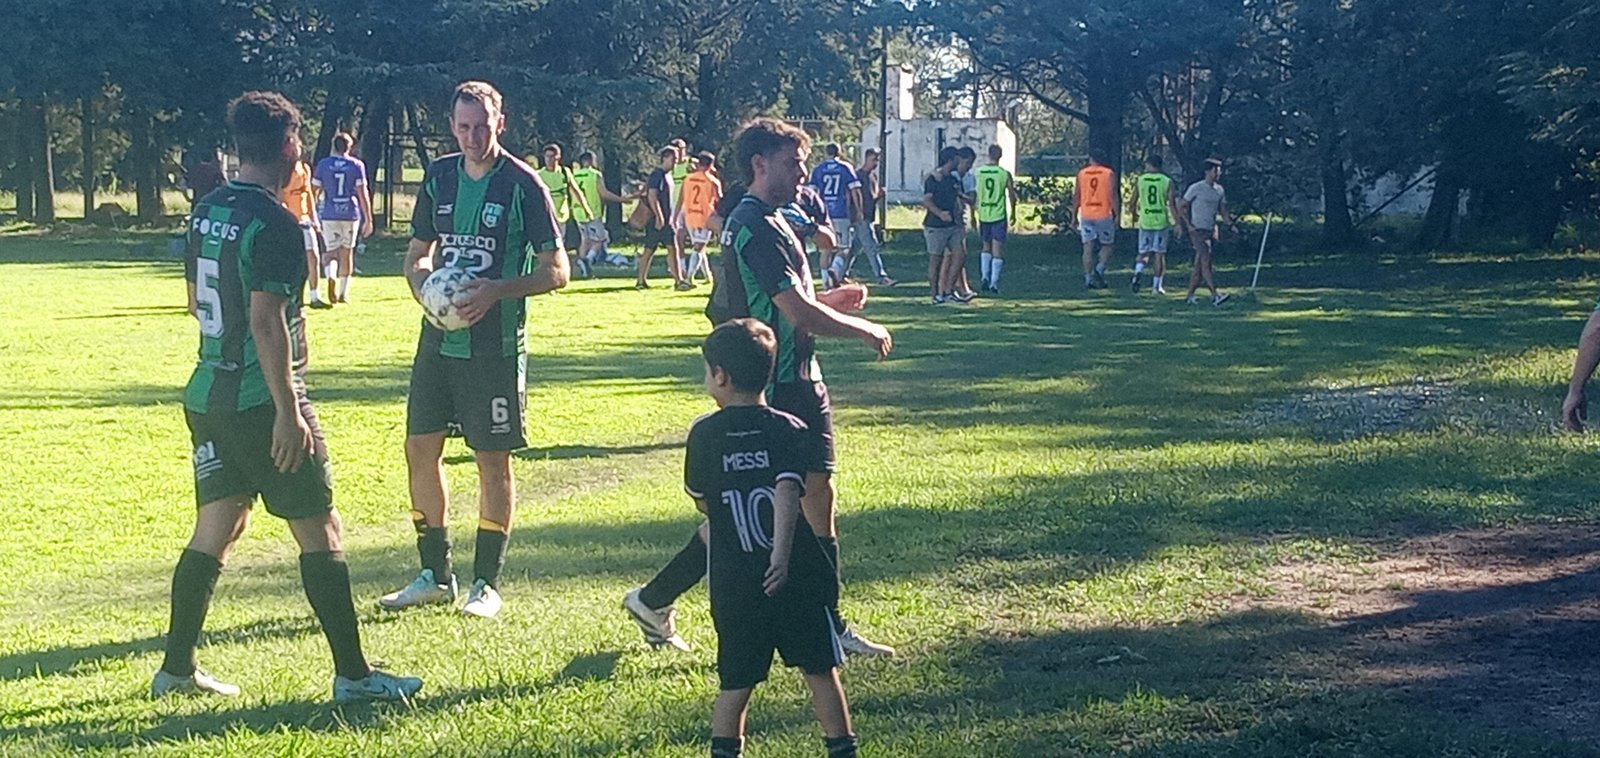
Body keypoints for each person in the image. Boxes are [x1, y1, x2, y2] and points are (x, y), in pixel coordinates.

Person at [159, 90, 421, 704]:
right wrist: (288, 412)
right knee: (320, 527)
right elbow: (266, 322)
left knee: (218, 524)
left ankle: (175, 670)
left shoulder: (207, 210)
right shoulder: (275, 223)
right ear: (288, 145)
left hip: (207, 394)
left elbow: (195, 301)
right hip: (260, 399)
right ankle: (354, 676)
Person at [625, 117, 897, 661]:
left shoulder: (767, 219)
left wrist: (829, 302)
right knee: (794, 504)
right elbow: (795, 312)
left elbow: (784, 301)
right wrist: (862, 328)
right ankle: (829, 623)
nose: (803, 173)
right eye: (793, 163)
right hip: (781, 384)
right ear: (759, 164)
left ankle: (655, 600)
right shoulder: (756, 223)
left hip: (786, 378)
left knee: (767, 505)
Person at [379, 80, 569, 619]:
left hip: (495, 348)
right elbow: (417, 256)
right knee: (420, 448)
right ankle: (434, 575)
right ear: (452, 126)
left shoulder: (523, 184)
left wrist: (495, 291)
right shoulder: (439, 177)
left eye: (481, 127)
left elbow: (557, 270)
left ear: (499, 123)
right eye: (463, 127)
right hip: (438, 342)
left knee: (491, 460)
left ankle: (486, 583)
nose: (471, 137)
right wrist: (427, 290)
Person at [690, 319, 859, 758]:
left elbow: (703, 502)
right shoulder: (791, 428)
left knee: (735, 684)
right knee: (820, 671)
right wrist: (781, 557)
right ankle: (843, 749)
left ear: (720, 375)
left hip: (736, 581)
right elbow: (787, 489)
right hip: (796, 575)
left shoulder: (704, 435)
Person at [311, 131, 373, 306]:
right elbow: (362, 193)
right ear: (349, 147)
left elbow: (314, 191)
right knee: (347, 252)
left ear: (334, 145)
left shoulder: (324, 164)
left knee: (330, 251)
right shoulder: (356, 165)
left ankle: (331, 276)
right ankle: (343, 294)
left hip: (329, 213)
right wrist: (368, 218)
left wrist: (313, 212)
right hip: (350, 213)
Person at [1176, 157, 1235, 306]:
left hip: (1210, 230)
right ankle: (1215, 295)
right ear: (1207, 171)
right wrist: (1188, 225)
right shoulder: (1196, 187)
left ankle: (1189, 296)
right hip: (1197, 230)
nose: (1218, 173)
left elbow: (1222, 210)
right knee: (1206, 261)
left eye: (1219, 170)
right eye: (1215, 170)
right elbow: (1181, 206)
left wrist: (1230, 225)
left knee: (1199, 265)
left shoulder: (1219, 190)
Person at [808, 143, 862, 289]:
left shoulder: (818, 169)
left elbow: (811, 192)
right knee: (844, 248)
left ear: (826, 152)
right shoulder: (845, 168)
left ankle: (826, 282)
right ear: (839, 152)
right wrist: (858, 210)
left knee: (825, 249)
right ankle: (835, 269)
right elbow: (854, 190)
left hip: (823, 214)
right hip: (841, 212)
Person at [536, 143, 592, 277]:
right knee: (547, 246)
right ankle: (548, 271)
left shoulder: (564, 173)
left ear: (558, 157)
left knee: (559, 245)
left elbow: (576, 191)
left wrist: (586, 208)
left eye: (552, 157)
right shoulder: (539, 175)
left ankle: (560, 271)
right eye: (547, 156)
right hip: (545, 216)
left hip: (561, 216)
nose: (549, 160)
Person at [572, 150, 635, 268]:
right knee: (600, 240)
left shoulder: (574, 175)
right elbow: (604, 193)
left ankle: (582, 263)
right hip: (592, 212)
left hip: (578, 212)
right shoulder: (595, 174)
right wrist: (622, 200)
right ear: (591, 161)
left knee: (585, 239)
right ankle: (588, 260)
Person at [280, 157, 326, 309]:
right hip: (290, 221)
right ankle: (292, 295)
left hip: (304, 220)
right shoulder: (282, 170)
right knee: (293, 260)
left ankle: (314, 296)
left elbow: (308, 194)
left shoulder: (304, 168)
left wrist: (314, 218)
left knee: (313, 256)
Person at [638, 146, 686, 291]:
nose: (675, 162)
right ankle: (641, 280)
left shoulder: (668, 175)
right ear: (665, 158)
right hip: (657, 219)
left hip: (667, 218)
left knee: (672, 248)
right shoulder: (657, 175)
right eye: (673, 159)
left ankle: (678, 280)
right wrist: (659, 216)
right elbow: (652, 196)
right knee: (650, 249)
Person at [1129, 154, 1178, 295]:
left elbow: (1132, 201)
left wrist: (1134, 214)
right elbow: (1171, 204)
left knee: (1143, 252)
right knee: (1159, 254)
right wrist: (1177, 222)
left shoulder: (1141, 180)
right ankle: (1156, 287)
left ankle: (1138, 272)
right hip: (1160, 221)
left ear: (1150, 165)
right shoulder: (1166, 181)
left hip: (1146, 221)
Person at [922, 147, 965, 304]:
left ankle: (949, 291)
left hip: (953, 226)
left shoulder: (953, 179)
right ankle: (935, 295)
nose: (959, 162)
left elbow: (957, 198)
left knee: (960, 255)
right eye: (956, 159)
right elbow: (927, 200)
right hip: (935, 226)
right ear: (949, 160)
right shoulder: (933, 179)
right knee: (936, 260)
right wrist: (940, 213)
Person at [848, 147, 894, 286]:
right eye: (874, 160)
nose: (876, 163)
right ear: (867, 158)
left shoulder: (872, 176)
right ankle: (881, 276)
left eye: (877, 160)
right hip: (861, 217)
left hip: (869, 215)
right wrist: (858, 212)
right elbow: (854, 196)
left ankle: (840, 272)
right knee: (871, 246)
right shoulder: (858, 176)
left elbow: (871, 197)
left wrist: (879, 195)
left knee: (854, 248)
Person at [975, 144, 1016, 294]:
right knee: (997, 249)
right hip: (998, 214)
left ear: (988, 154)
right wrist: (1014, 212)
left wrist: (973, 212)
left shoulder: (979, 172)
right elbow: (1011, 195)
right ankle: (994, 283)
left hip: (984, 213)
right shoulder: (1004, 174)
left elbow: (975, 193)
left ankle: (984, 277)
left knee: (985, 246)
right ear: (1001, 156)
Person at [1074, 154, 1117, 289]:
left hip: (1086, 214)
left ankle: (1088, 278)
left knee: (1088, 247)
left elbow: (1077, 195)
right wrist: (1117, 213)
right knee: (1107, 244)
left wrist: (1074, 215)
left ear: (1091, 159)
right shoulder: (1108, 173)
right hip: (1103, 214)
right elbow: (1112, 194)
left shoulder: (1082, 173)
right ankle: (1099, 269)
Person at [681, 151, 723, 286]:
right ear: (711, 165)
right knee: (698, 248)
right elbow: (719, 200)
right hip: (705, 217)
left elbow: (683, 197)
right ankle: (689, 278)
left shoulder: (688, 179)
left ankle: (707, 276)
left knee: (699, 246)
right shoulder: (712, 181)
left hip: (690, 215)